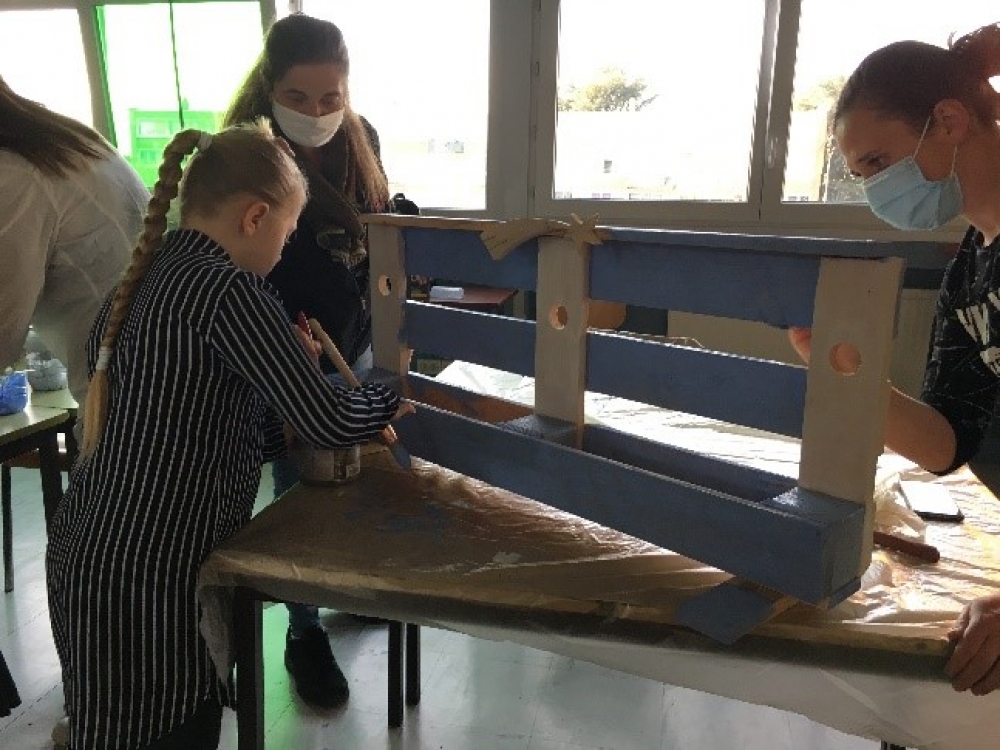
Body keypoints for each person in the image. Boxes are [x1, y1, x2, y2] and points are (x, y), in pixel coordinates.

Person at [44, 121, 411, 749]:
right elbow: (328, 421)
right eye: (286, 235)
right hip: (151, 576)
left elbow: (206, 432)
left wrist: (285, 395)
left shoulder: (144, 280)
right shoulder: (229, 291)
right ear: (255, 217)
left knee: (113, 733)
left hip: (92, 557)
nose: (283, 252)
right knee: (171, 733)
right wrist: (392, 393)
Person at [787, 22, 1000, 697]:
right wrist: (849, 378)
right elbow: (948, 439)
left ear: (949, 122)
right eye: (861, 176)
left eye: (878, 163)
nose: (877, 191)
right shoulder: (972, 268)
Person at [222, 12, 393, 708]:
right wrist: (277, 335)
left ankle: (344, 587)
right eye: (297, 98)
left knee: (355, 480)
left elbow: (374, 229)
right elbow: (230, 259)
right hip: (281, 347)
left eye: (331, 98)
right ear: (269, 87)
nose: (317, 113)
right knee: (301, 492)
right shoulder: (243, 154)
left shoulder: (361, 139)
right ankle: (304, 629)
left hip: (351, 338)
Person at [0, 74, 148, 415]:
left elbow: (3, 333)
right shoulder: (60, 138)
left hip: (126, 396)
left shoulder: (16, 175)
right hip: (144, 375)